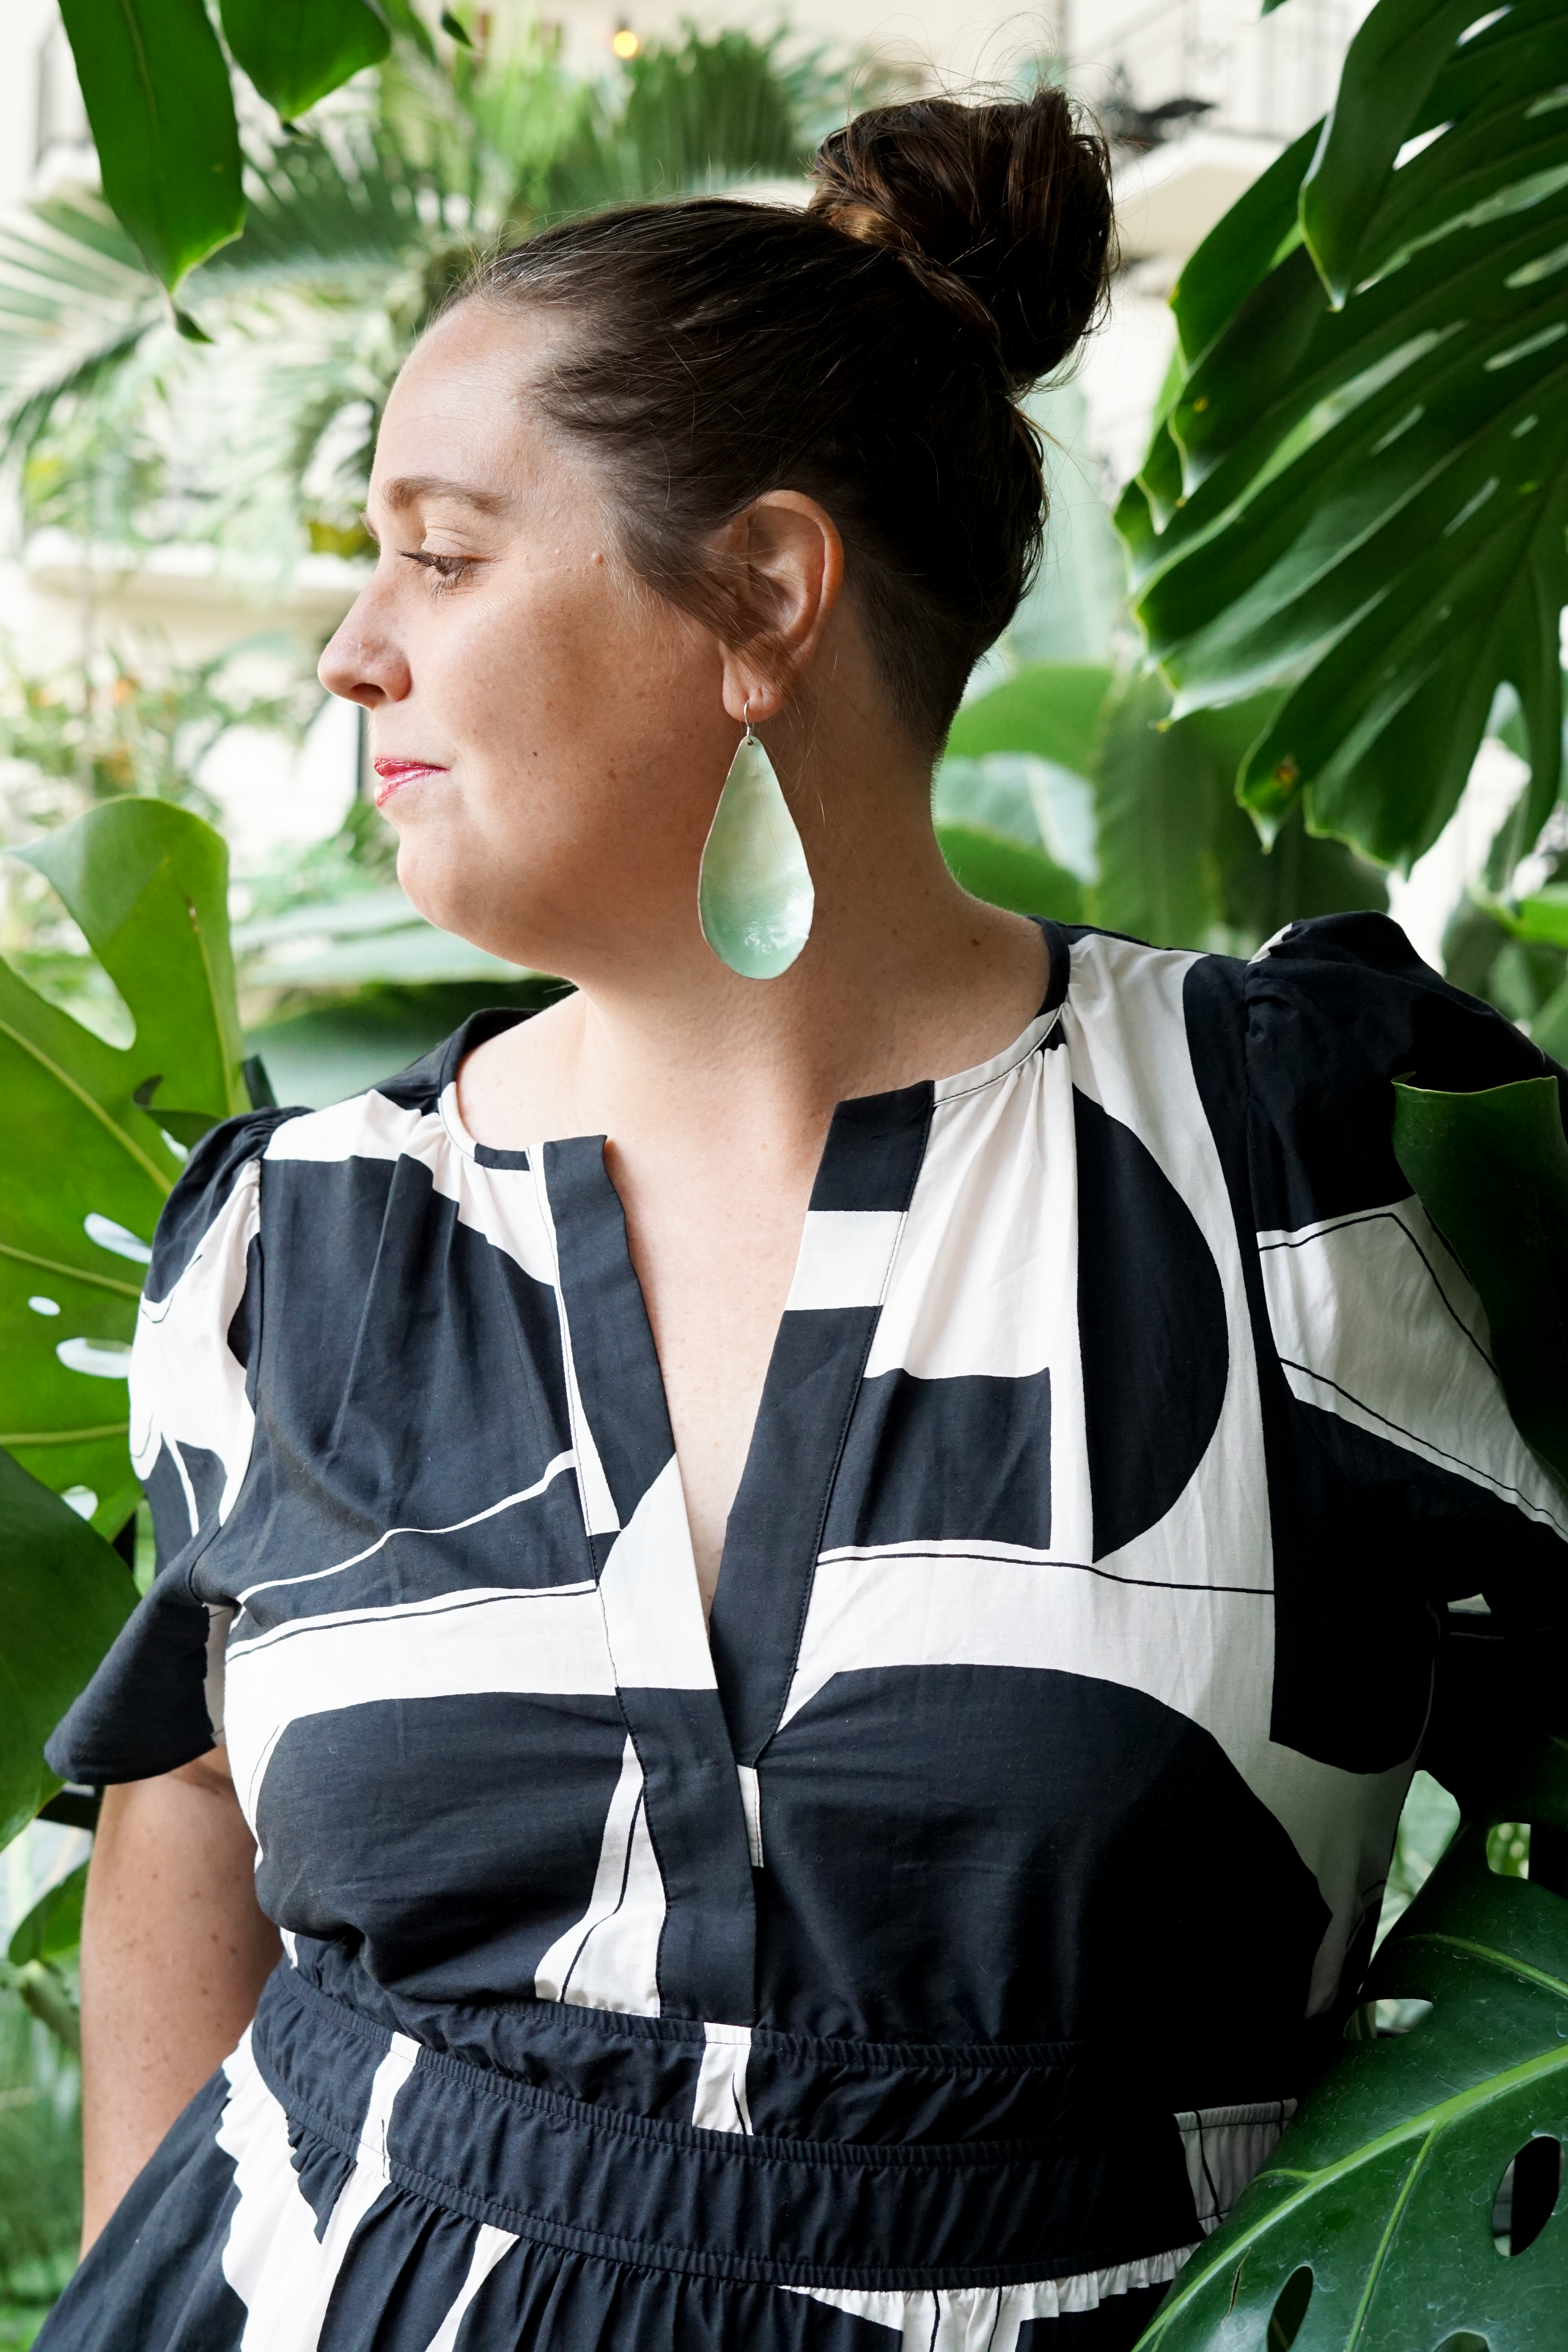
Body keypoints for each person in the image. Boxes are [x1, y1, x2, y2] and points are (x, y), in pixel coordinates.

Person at [39, 85, 1568, 2352]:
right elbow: (190, 1830)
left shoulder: (1293, 1157)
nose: (353, 650)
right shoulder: (297, 1249)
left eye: (440, 555)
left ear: (761, 592)